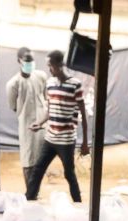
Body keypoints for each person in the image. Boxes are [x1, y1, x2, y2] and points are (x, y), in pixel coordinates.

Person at [26, 50, 88, 203]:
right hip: (50, 137)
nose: (49, 69)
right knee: (37, 170)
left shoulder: (75, 85)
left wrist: (85, 142)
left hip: (66, 140)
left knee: (69, 174)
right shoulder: (50, 83)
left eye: (51, 65)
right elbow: (50, 109)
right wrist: (39, 123)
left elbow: (83, 115)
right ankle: (28, 200)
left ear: (60, 65)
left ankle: (78, 204)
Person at [6, 47, 49, 190]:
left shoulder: (41, 76)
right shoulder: (13, 84)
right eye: (27, 60)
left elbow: (45, 97)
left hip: (43, 123)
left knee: (41, 159)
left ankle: (36, 190)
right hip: (27, 125)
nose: (30, 63)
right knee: (28, 159)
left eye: (32, 60)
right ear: (19, 61)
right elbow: (13, 106)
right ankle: (30, 192)